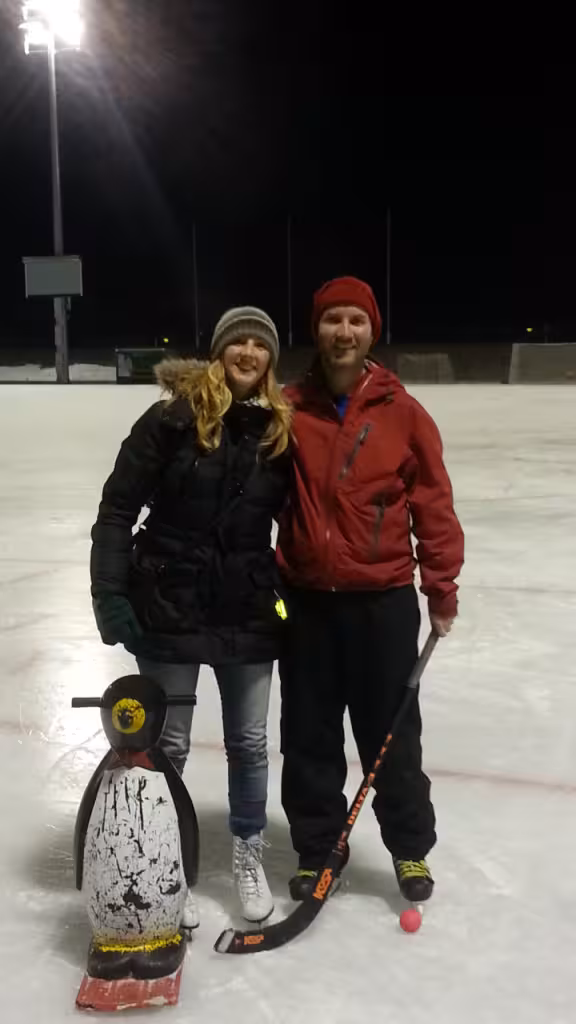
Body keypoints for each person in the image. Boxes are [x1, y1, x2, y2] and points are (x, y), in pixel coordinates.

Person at [90, 307, 291, 925]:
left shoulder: (279, 430)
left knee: (250, 742)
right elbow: (118, 508)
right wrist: (110, 594)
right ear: (218, 352)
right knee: (168, 743)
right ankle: (162, 858)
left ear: (271, 360)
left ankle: (248, 852)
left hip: (246, 605)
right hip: (170, 601)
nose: (249, 352)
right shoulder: (172, 419)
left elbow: (309, 521)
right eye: (239, 342)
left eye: (261, 344)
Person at [277, 276, 464, 905]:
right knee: (308, 734)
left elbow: (433, 504)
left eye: (356, 320)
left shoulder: (402, 412)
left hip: (382, 600)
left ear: (371, 332)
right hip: (305, 601)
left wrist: (441, 586)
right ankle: (317, 850)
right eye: (333, 320)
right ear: (317, 330)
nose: (344, 332)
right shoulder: (289, 408)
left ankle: (409, 847)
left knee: (391, 735)